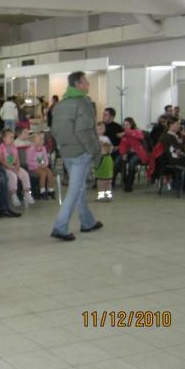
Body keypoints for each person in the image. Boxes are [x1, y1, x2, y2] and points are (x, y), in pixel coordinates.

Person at [50, 71, 102, 241]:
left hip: (66, 152)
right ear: (78, 84)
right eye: (85, 81)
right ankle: (60, 227)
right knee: (74, 190)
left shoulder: (59, 105)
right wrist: (94, 151)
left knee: (79, 188)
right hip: (81, 152)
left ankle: (87, 222)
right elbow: (85, 131)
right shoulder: (84, 103)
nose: (88, 84)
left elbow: (54, 130)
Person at [0, 129, 35, 207]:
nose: (12, 139)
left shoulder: (13, 147)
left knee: (24, 174)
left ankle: (27, 193)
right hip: (4, 168)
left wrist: (17, 165)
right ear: (4, 138)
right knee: (12, 176)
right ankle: (14, 195)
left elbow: (17, 158)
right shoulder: (0, 148)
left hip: (14, 166)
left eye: (13, 137)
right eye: (10, 137)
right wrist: (9, 167)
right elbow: (1, 160)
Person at [114, 117, 148, 192]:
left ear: (132, 124)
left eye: (127, 124)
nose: (125, 126)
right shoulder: (124, 134)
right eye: (124, 125)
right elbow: (123, 146)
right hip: (128, 153)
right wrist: (123, 154)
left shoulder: (137, 131)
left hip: (139, 153)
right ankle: (116, 181)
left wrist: (125, 133)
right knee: (117, 160)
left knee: (131, 162)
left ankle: (129, 185)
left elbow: (140, 136)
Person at [27, 132, 55, 200]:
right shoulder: (31, 149)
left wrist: (45, 164)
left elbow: (46, 158)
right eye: (39, 139)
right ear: (33, 141)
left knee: (50, 173)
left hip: (42, 165)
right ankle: (42, 191)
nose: (41, 140)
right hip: (34, 167)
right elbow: (29, 161)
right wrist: (37, 165)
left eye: (41, 139)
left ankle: (51, 190)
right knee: (43, 174)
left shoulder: (43, 148)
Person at [95, 122, 114, 201]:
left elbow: (110, 149)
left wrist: (105, 147)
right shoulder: (95, 139)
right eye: (97, 129)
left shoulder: (105, 139)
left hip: (105, 160)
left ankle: (105, 196)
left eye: (100, 129)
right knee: (103, 180)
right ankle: (105, 196)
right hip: (102, 160)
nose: (98, 131)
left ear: (104, 130)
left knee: (105, 181)